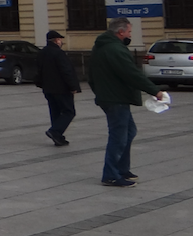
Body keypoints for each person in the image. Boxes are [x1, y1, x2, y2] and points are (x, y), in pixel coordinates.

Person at [87, 17, 168, 188]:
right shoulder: (115, 49)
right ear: (121, 32)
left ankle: (122, 169)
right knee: (119, 136)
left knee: (129, 131)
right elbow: (131, 74)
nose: (130, 35)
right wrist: (155, 91)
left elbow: (90, 75)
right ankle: (110, 175)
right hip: (115, 98)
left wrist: (100, 92)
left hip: (110, 96)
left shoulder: (100, 47)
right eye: (129, 32)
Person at [36, 30, 80, 146]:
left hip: (48, 88)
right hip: (61, 89)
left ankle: (58, 137)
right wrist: (73, 86)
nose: (61, 42)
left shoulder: (42, 52)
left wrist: (41, 84)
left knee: (55, 112)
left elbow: (38, 70)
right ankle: (55, 131)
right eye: (60, 40)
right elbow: (66, 71)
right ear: (56, 41)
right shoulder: (58, 53)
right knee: (69, 111)